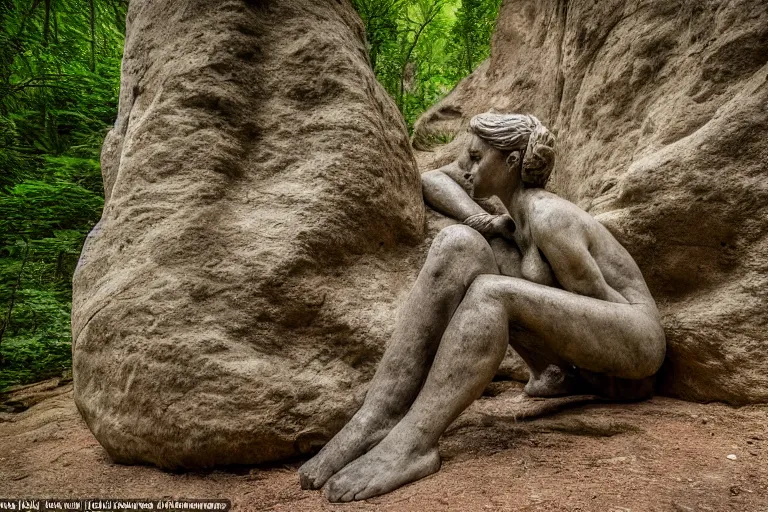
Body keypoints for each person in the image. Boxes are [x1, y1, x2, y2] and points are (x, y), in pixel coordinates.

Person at [298, 112, 666, 502]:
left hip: (635, 340)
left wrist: (614, 380)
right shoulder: (515, 213)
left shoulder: (549, 218)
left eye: (476, 158)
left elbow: (596, 307)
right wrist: (483, 221)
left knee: (491, 293)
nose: (466, 168)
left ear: (510, 162)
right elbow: (432, 179)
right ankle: (378, 417)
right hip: (588, 347)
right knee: (458, 243)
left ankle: (414, 442)